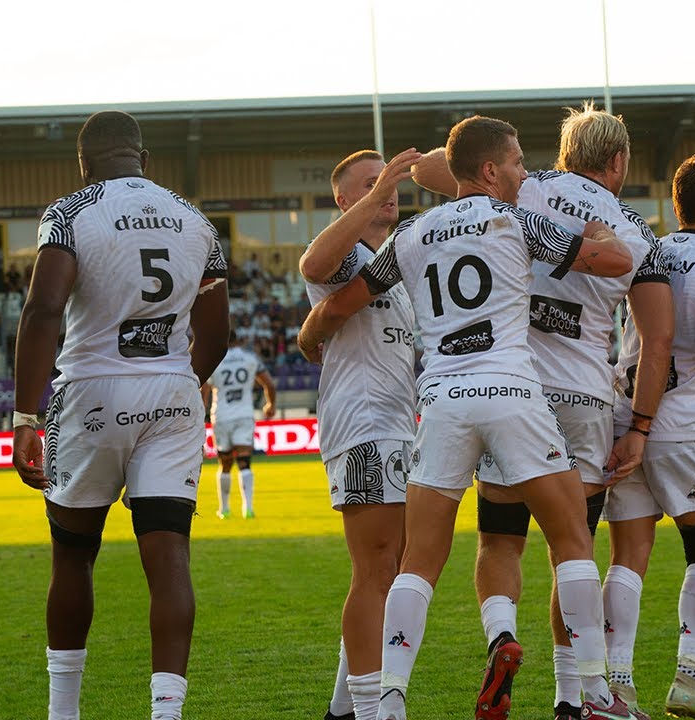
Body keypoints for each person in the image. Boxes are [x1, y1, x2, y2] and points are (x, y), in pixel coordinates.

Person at [297, 115, 639, 720]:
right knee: (572, 539)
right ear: (489, 171)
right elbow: (611, 264)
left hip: (445, 403)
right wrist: (597, 234)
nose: (524, 172)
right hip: (511, 392)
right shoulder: (515, 221)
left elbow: (349, 296)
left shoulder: (412, 234)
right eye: (515, 163)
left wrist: (316, 327)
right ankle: (594, 692)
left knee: (418, 563)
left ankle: (389, 700)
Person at [410, 102, 674, 720]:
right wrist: (639, 426)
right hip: (582, 393)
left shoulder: (519, 191)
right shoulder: (633, 229)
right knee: (572, 544)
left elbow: (431, 169)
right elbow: (656, 340)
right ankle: (576, 695)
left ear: (560, 154)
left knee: (499, 541)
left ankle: (501, 637)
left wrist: (446, 170)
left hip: (508, 387)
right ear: (618, 162)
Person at [10, 110, 230, 720]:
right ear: (144, 158)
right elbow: (217, 333)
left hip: (92, 395)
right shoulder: (196, 220)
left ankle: (64, 711)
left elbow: (43, 309)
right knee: (170, 558)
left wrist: (26, 415)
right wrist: (178, 382)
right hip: (171, 391)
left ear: (85, 163)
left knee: (73, 553)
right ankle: (166, 712)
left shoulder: (71, 211)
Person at [601, 152, 695, 720]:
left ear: (674, 203)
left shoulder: (649, 250)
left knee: (628, 556)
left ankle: (619, 686)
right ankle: (687, 678)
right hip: (686, 424)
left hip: (629, 414)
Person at [298, 146, 423, 720]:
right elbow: (312, 266)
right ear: (344, 199)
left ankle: (343, 711)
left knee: (391, 568)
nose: (388, 189)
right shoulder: (347, 256)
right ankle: (373, 712)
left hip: (398, 424)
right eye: (371, 184)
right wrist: (374, 198)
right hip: (364, 422)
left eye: (390, 182)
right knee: (375, 569)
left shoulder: (392, 267)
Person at [201, 330, 277, 519]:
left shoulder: (215, 360)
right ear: (238, 340)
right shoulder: (249, 358)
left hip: (221, 416)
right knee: (244, 463)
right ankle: (248, 508)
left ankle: (224, 509)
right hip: (244, 415)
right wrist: (270, 405)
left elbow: (205, 390)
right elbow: (269, 384)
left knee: (224, 464)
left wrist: (201, 414)